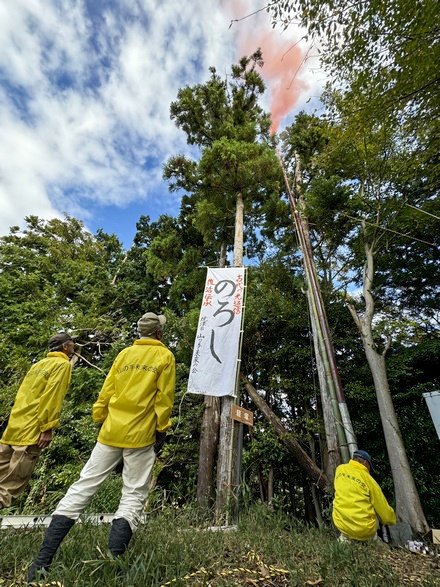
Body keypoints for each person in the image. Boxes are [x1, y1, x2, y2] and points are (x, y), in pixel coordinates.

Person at [28, 312, 176, 582]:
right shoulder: (165, 357)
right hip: (141, 436)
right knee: (132, 496)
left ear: (141, 333)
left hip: (109, 431)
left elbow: (107, 391)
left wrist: (99, 417)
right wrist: (162, 430)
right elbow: (163, 400)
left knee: (82, 487)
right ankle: (112, 568)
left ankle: (40, 563)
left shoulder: (123, 355)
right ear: (159, 333)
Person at [0, 332, 74, 509]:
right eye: (72, 344)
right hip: (30, 430)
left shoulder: (38, 365)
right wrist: (47, 428)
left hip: (13, 428)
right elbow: (52, 396)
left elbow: (22, 395)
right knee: (9, 487)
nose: (74, 347)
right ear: (65, 347)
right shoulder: (62, 364)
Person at [332, 449, 396, 541]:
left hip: (342, 525)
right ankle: (372, 540)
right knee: (376, 509)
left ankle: (345, 538)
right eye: (369, 467)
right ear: (365, 462)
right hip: (364, 530)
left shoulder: (340, 469)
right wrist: (392, 519)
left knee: (338, 499)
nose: (369, 470)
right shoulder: (369, 480)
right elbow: (383, 509)